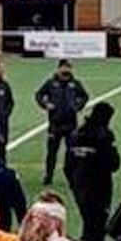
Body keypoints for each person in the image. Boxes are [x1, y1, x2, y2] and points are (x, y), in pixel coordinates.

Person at [66, 102, 121, 241]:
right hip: (100, 188)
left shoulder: (76, 134)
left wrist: (73, 184)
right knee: (96, 229)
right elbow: (113, 164)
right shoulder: (104, 135)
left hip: (80, 186)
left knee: (89, 224)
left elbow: (68, 164)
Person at [36, 58, 89, 186]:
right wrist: (46, 105)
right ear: (59, 68)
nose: (67, 70)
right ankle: (48, 176)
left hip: (71, 124)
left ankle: (72, 177)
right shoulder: (51, 83)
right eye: (65, 67)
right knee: (52, 152)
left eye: (69, 67)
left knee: (71, 152)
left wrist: (77, 106)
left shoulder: (75, 83)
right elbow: (39, 95)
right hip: (55, 123)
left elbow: (84, 96)